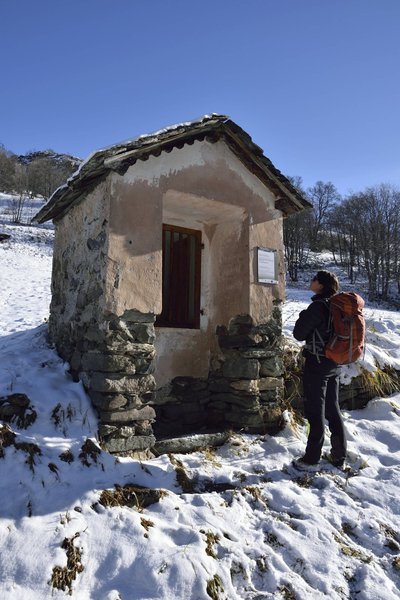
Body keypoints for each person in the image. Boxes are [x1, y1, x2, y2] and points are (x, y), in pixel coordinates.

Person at [292, 270, 347, 470]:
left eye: (314, 279)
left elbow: (299, 333)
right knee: (333, 409)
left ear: (321, 285)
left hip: (317, 364)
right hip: (335, 362)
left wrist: (303, 315)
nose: (311, 281)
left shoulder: (318, 307)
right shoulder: (337, 305)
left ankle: (311, 458)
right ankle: (339, 456)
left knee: (315, 411)